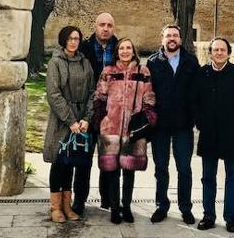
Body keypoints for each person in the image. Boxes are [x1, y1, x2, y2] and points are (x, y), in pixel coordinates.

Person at [191, 38, 234, 233]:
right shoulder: (201, 74)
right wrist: (200, 123)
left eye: (222, 50)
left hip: (232, 134)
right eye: (215, 50)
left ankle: (231, 218)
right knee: (208, 177)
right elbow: (194, 102)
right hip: (208, 133)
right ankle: (208, 215)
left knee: (232, 178)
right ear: (210, 53)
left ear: (228, 52)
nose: (219, 53)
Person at [92, 38, 156, 224]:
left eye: (128, 48)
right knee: (112, 171)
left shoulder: (143, 71)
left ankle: (126, 207)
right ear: (117, 51)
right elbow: (99, 96)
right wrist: (101, 118)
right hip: (110, 127)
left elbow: (149, 97)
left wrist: (146, 118)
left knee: (129, 170)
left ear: (133, 51)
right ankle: (114, 207)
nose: (125, 51)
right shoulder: (108, 71)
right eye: (122, 48)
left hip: (133, 130)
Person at [146, 25, 200, 224]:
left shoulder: (191, 62)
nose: (172, 38)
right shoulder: (152, 63)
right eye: (168, 35)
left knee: (184, 167)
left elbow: (197, 93)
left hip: (183, 125)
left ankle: (185, 207)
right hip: (160, 125)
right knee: (161, 167)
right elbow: (148, 93)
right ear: (162, 39)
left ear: (180, 38)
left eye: (175, 35)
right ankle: (162, 205)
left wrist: (194, 118)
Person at [43, 26, 95, 223]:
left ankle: (67, 205)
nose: (74, 42)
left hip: (81, 120)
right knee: (59, 163)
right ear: (64, 40)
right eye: (70, 38)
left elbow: (92, 91)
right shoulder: (55, 63)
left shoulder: (85, 63)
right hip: (62, 120)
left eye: (77, 38)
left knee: (71, 163)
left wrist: (87, 118)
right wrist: (70, 120)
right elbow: (53, 94)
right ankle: (55, 207)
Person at [79, 12, 118, 211]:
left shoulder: (120, 49)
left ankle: (108, 199)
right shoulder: (84, 48)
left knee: (109, 160)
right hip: (88, 111)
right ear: (95, 26)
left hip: (110, 114)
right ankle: (80, 200)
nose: (105, 28)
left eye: (109, 25)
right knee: (84, 160)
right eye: (102, 24)